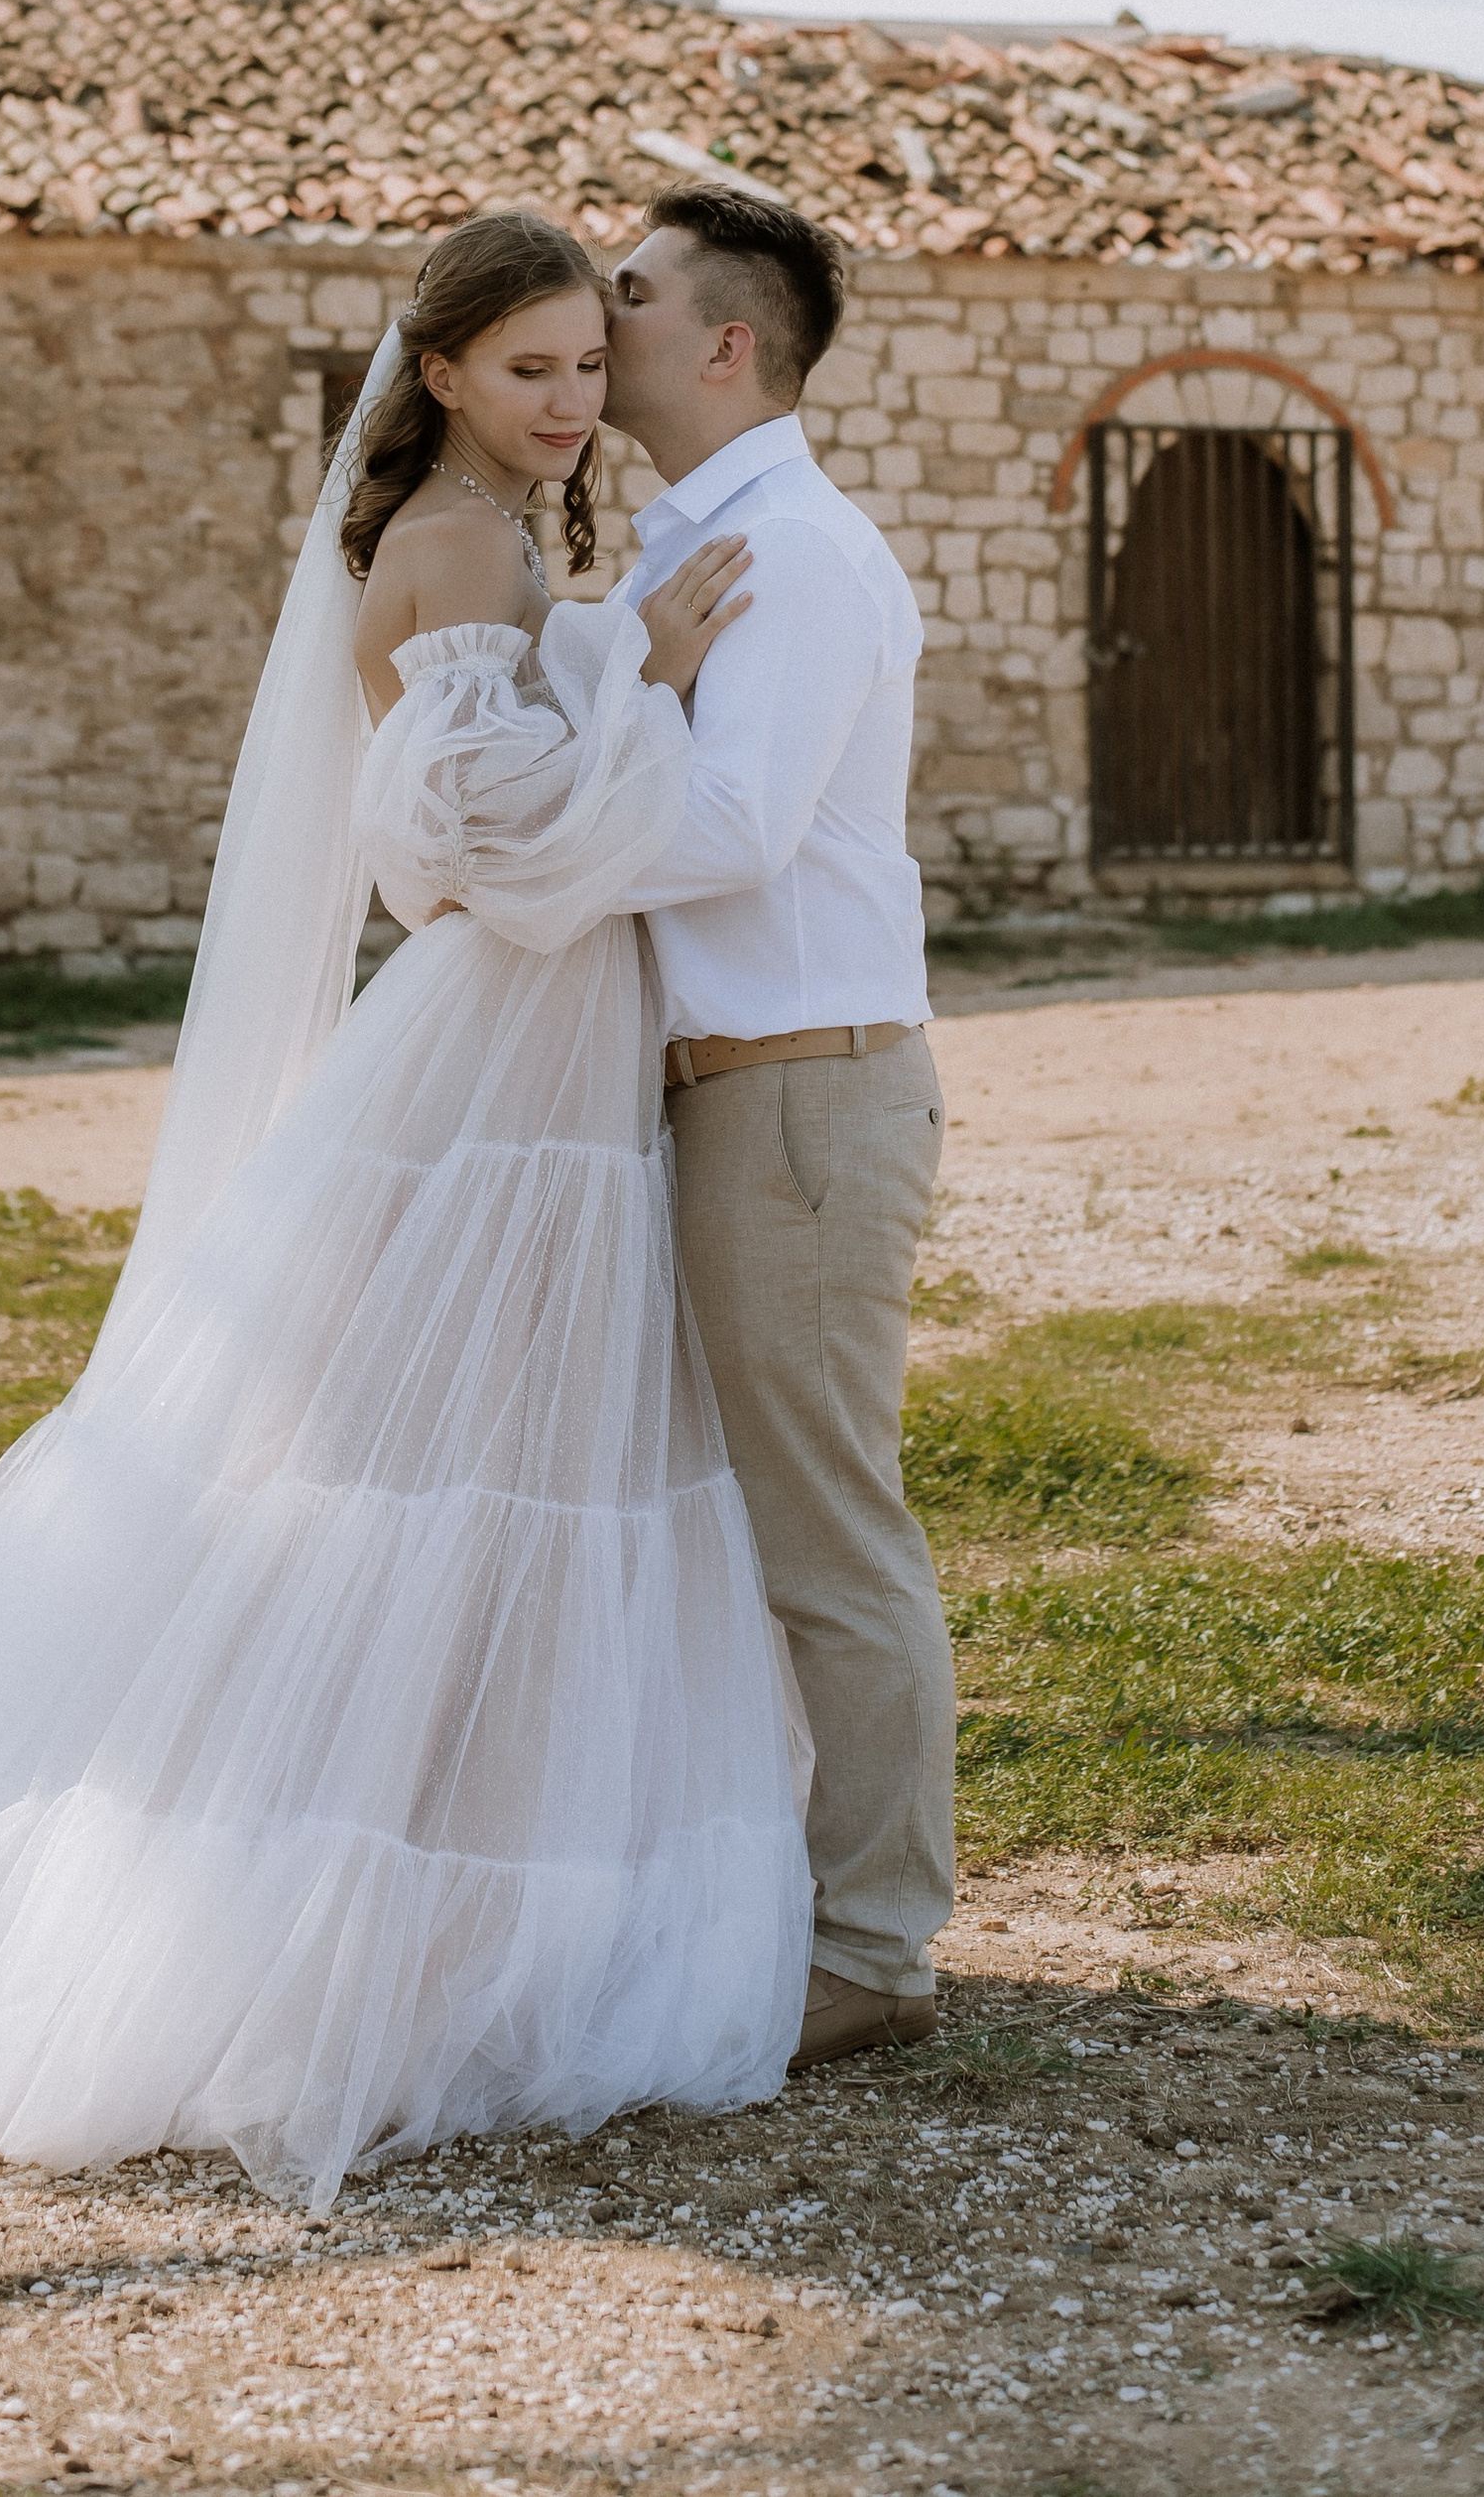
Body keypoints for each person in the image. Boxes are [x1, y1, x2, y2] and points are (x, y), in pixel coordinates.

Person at [0, 213, 811, 2209]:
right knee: (439, 1456)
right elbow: (470, 849)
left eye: (589, 364)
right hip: (508, 1039)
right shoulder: (458, 546)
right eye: (528, 370)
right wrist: (656, 688)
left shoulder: (479, 539)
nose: (572, 399)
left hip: (533, 1045)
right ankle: (359, 1911)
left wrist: (613, 678)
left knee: (479, 1453)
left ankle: (447, 1863)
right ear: (436, 375)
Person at [600, 183, 951, 2071]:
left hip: (805, 1094)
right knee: (726, 1532)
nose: (601, 310)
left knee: (829, 1536)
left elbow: (731, 833)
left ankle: (880, 1951)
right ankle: (776, 1893)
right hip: (733, 1091)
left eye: (631, 291)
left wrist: (576, 761)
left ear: (725, 341)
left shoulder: (796, 556)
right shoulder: (703, 543)